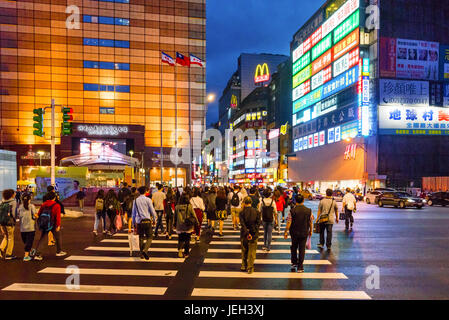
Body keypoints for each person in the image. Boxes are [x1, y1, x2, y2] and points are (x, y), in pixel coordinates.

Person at [31, 192, 66, 260]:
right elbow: (57, 216)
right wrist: (58, 225)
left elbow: (39, 213)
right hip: (53, 223)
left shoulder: (44, 204)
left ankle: (38, 254)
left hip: (45, 224)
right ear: (54, 198)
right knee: (58, 237)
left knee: (43, 238)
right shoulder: (56, 205)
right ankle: (59, 251)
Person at [284, 194, 313, 273]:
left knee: (294, 247)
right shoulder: (308, 210)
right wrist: (311, 230)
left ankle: (294, 262)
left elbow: (289, 222)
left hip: (294, 232)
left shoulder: (292, 211)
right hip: (304, 232)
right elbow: (310, 221)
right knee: (302, 249)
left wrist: (286, 231)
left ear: (295, 201)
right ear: (303, 200)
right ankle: (300, 266)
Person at [132, 186, 157, 260]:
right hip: (147, 220)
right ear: (146, 191)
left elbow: (133, 213)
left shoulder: (135, 201)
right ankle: (145, 250)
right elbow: (152, 210)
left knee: (141, 237)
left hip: (139, 221)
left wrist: (134, 223)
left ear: (139, 192)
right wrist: (155, 219)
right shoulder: (148, 200)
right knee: (150, 237)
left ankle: (141, 253)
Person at [239, 197, 261, 274]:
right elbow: (258, 224)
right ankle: (250, 268)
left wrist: (247, 232)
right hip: (254, 234)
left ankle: (243, 265)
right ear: (251, 202)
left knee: (244, 250)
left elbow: (242, 224)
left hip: (244, 233)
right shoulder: (257, 212)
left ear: (244, 203)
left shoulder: (241, 212)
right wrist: (252, 233)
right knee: (252, 251)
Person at [174, 194, 199, 258]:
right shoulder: (189, 206)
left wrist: (174, 224)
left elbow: (175, 217)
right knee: (187, 239)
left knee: (180, 239)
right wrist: (197, 222)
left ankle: (180, 250)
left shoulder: (177, 207)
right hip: (188, 225)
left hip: (179, 225)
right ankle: (186, 253)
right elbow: (194, 215)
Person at [18, 194, 37, 261]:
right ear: (29, 199)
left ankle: (29, 252)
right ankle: (26, 256)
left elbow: (18, 215)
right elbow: (35, 216)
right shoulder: (32, 206)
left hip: (22, 228)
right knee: (29, 242)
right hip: (31, 227)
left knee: (26, 242)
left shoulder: (20, 207)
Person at [0, 189, 18, 260]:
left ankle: (1, 248)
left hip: (2, 221)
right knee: (10, 237)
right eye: (14, 193)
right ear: (11, 194)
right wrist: (14, 219)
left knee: (5, 236)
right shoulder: (13, 202)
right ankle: (8, 254)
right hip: (9, 222)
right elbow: (13, 213)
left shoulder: (2, 201)